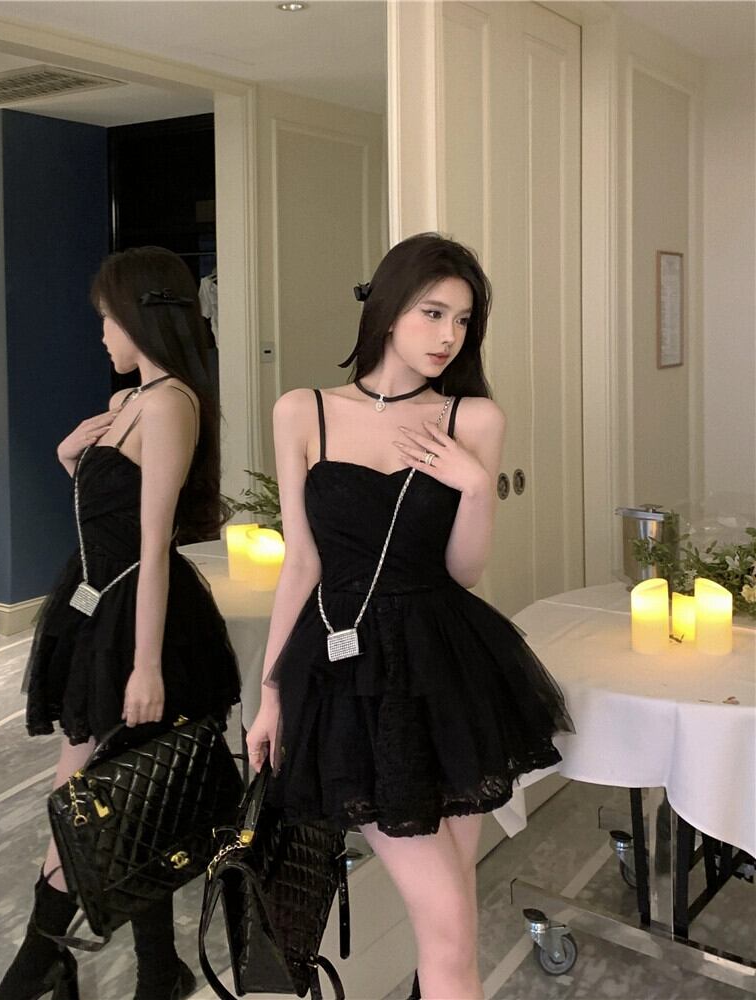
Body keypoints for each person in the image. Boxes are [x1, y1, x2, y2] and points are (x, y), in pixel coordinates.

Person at [246, 233, 573, 1000]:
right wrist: (270, 693)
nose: (448, 335)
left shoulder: (473, 418)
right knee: (450, 925)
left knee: (451, 916)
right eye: (433, 312)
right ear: (388, 308)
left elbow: (463, 572)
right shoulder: (303, 411)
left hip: (446, 668)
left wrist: (475, 486)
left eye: (462, 320)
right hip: (351, 678)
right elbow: (302, 563)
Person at [0, 247, 241, 1000]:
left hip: (138, 618)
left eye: (105, 319)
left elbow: (153, 544)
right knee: (120, 798)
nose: (100, 335)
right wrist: (69, 455)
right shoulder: (131, 400)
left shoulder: (169, 402)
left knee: (86, 801)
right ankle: (157, 971)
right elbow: (110, 507)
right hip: (100, 606)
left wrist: (147, 664)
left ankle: (36, 972)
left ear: (135, 316)